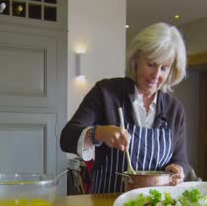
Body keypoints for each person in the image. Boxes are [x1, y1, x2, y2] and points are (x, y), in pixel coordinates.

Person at [60, 22, 191, 193]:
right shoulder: (106, 93)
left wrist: (178, 170)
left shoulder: (175, 110)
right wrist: (98, 133)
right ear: (136, 59)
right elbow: (67, 137)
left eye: (164, 68)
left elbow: (181, 160)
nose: (156, 75)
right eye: (151, 64)